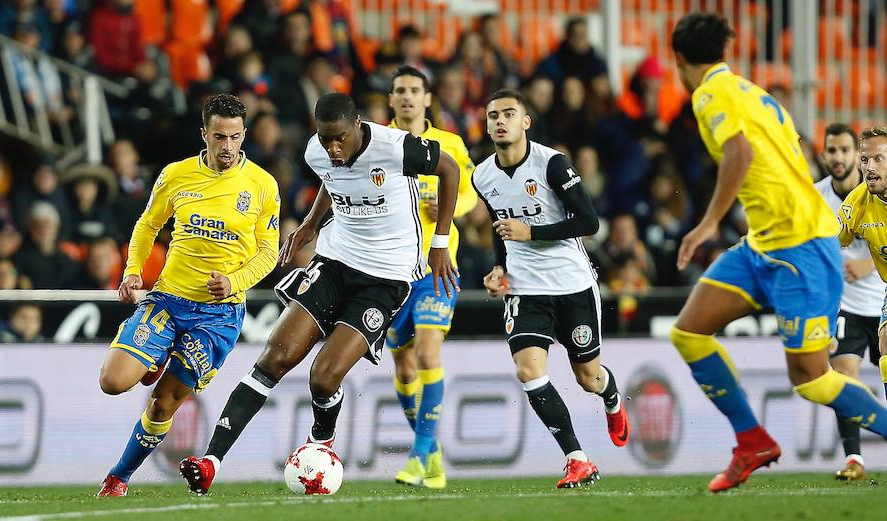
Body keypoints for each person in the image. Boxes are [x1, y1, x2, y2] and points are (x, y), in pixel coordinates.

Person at [179, 93, 460, 495]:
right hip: (335, 261)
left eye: (340, 139)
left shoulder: (395, 147)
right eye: (326, 139)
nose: (332, 148)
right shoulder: (318, 151)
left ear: (358, 126)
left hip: (386, 277)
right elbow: (333, 178)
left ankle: (321, 442)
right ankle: (211, 462)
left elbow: (449, 169)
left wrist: (440, 241)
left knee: (323, 377)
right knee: (275, 357)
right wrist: (312, 223)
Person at [668, 13, 887, 493]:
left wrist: (706, 223)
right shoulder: (751, 92)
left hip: (802, 247)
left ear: (678, 59)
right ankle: (752, 441)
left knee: (812, 381)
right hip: (763, 245)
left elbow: (739, 153)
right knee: (688, 332)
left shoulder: (708, 95)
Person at [95, 94, 280, 497]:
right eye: (219, 137)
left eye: (234, 137)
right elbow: (147, 225)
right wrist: (131, 272)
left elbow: (269, 251)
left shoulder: (263, 186)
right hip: (169, 299)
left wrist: (235, 282)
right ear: (204, 135)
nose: (227, 146)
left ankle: (118, 478)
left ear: (244, 134)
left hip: (220, 314)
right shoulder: (176, 175)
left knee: (163, 405)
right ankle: (154, 356)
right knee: (112, 382)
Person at [475, 89, 629, 489]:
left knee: (587, 377)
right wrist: (498, 267)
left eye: (509, 114)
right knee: (529, 370)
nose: (500, 121)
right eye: (493, 116)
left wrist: (532, 232)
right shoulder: (482, 175)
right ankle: (577, 458)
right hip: (525, 288)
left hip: (572, 284)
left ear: (525, 122)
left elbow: (589, 222)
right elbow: (501, 228)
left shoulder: (552, 164)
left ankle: (611, 398)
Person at [385, 65, 477, 488]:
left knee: (427, 353)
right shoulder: (377, 141)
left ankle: (419, 456)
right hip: (389, 274)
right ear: (391, 100)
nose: (406, 97)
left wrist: (445, 206)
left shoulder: (450, 145)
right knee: (404, 371)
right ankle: (433, 450)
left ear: (427, 99)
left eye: (414, 91)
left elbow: (471, 195)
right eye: (400, 90)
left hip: (438, 267)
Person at [813, 123, 883, 481]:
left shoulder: (874, 192)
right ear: (823, 154)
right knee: (843, 375)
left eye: (844, 150)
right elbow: (815, 248)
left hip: (881, 295)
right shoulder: (816, 198)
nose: (838, 158)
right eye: (831, 151)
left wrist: (869, 261)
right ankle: (854, 458)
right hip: (846, 305)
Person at [838, 127, 887, 432]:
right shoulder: (857, 202)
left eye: (878, 159)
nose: (869, 168)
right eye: (865, 160)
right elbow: (829, 245)